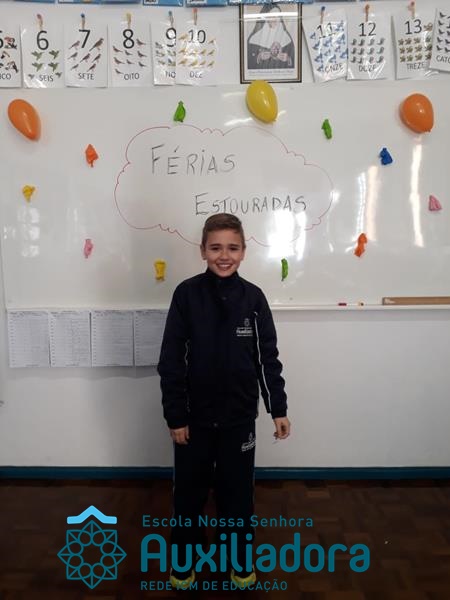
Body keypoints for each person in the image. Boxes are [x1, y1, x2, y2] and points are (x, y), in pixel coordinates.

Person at [158, 213, 290, 588]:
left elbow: (267, 359)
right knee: (189, 495)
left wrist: (277, 409)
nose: (224, 255)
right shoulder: (186, 295)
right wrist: (176, 416)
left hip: (239, 419)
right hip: (193, 421)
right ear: (203, 250)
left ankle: (238, 559)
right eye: (215, 248)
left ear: (244, 251)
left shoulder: (254, 298)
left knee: (237, 496)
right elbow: (171, 360)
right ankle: (184, 561)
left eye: (232, 248)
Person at [247, 4, 295, 70]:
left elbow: (294, 62)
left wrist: (288, 59)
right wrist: (258, 57)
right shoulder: (253, 39)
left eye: (277, 16)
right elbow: (247, 63)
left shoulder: (287, 38)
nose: (275, 19)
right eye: (272, 16)